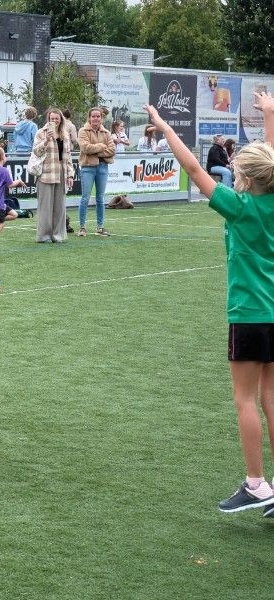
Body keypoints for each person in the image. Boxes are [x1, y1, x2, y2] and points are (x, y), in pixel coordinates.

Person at [146, 94, 274, 514]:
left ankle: (256, 484)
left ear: (250, 180)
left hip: (250, 314)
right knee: (271, 397)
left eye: (239, 170)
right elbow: (267, 163)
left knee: (245, 400)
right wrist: (269, 115)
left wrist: (166, 130)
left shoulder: (240, 208)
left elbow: (194, 169)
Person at [32, 108, 75, 244]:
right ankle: (43, 236)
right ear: (48, 119)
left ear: (61, 119)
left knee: (60, 207)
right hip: (45, 172)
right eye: (52, 118)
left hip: (61, 172)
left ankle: (58, 235)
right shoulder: (41, 132)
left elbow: (68, 157)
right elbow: (36, 152)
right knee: (45, 207)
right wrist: (46, 140)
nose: (54, 121)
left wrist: (70, 175)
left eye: (57, 118)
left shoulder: (65, 134)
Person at [77, 107, 116, 237]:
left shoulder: (106, 133)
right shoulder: (83, 131)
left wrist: (96, 150)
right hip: (87, 167)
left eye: (98, 116)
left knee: (100, 198)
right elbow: (85, 148)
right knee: (85, 198)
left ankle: (100, 227)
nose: (95, 118)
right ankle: (82, 227)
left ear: (102, 118)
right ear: (89, 117)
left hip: (103, 167)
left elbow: (112, 150)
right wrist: (101, 146)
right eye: (93, 116)